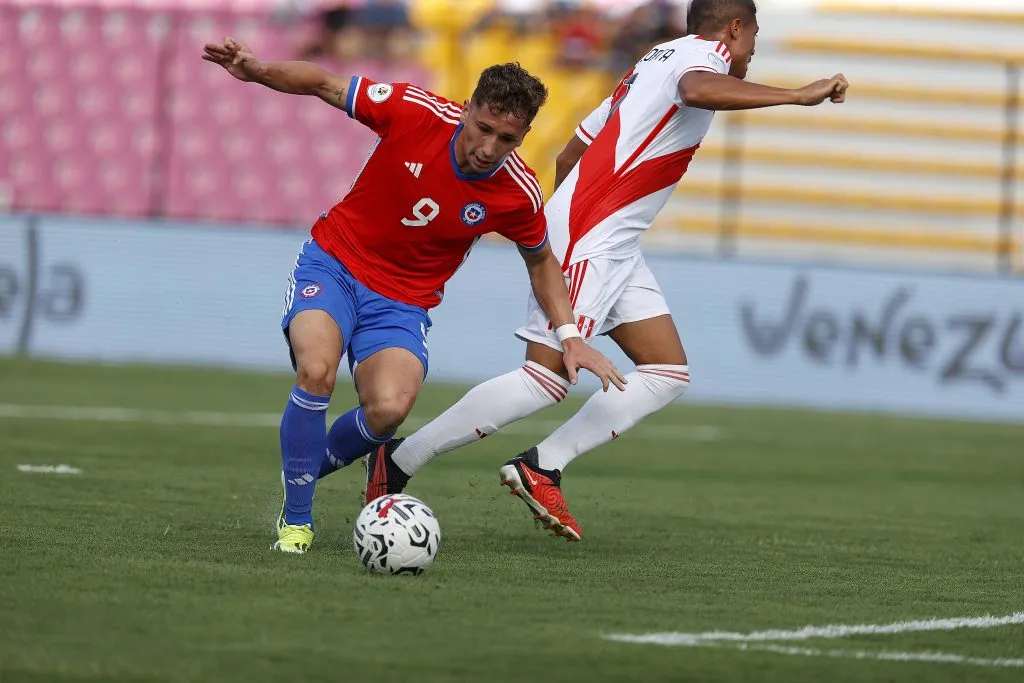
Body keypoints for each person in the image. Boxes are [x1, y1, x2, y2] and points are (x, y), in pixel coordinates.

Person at [364, 0, 848, 542]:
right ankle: (398, 461)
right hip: (595, 233)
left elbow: (570, 154)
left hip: (609, 238)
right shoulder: (700, 60)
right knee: (545, 379)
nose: (750, 53)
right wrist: (796, 95)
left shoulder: (653, 61)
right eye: (752, 39)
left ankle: (542, 465)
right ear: (735, 28)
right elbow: (695, 89)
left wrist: (580, 220)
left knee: (666, 373)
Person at [201, 38, 625, 553]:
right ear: (466, 109)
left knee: (389, 410)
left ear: (524, 136)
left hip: (402, 301)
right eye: (483, 128)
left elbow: (542, 262)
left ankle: (303, 470)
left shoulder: (518, 193)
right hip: (335, 262)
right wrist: (259, 70)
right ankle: (297, 521)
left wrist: (570, 335)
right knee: (316, 370)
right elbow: (324, 83)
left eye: (507, 139)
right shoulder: (414, 111)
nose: (489, 148)